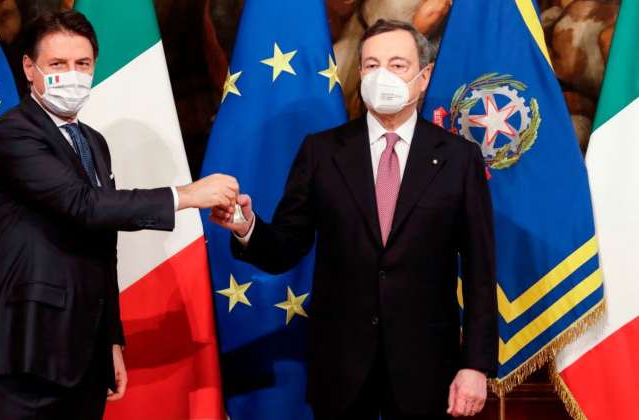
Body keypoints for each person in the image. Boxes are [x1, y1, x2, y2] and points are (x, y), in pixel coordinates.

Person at [210, 19, 497, 420]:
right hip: (341, 368)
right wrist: (246, 227)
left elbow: (481, 270)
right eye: (372, 65)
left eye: (397, 65)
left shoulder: (459, 158)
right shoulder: (322, 152)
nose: (382, 76)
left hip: (427, 369)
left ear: (424, 77)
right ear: (360, 73)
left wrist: (476, 365)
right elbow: (286, 247)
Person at [0, 10, 238, 420]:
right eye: (57, 64)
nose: (72, 75)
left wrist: (109, 339)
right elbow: (83, 205)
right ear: (29, 68)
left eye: (82, 64)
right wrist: (185, 195)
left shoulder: (92, 142)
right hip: (25, 350)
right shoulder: (12, 134)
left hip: (84, 354)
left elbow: (100, 243)